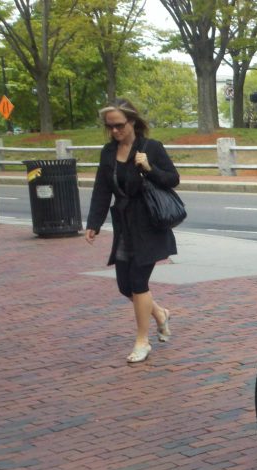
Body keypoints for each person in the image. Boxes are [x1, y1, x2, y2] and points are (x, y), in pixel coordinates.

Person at [85, 98, 180, 364]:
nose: (114, 131)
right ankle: (160, 313)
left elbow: (173, 179)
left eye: (119, 126)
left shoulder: (151, 147)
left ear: (133, 122)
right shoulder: (107, 153)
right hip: (125, 225)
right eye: (110, 127)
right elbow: (102, 190)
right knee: (125, 286)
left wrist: (149, 168)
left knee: (139, 283)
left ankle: (142, 341)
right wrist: (94, 222)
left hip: (149, 224)